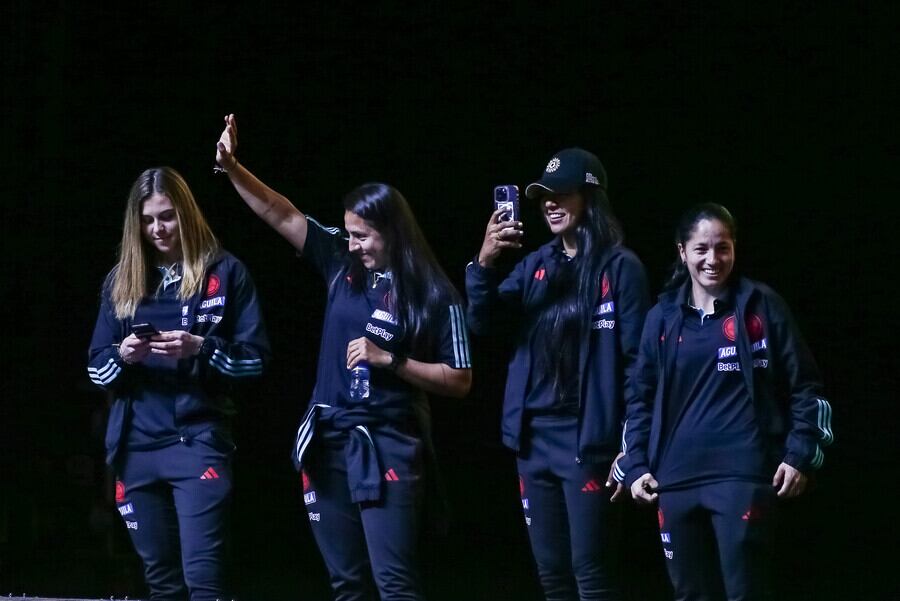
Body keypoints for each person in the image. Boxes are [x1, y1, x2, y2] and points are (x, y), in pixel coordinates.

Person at [214, 114, 472, 601]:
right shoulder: (341, 264)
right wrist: (231, 168)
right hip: (327, 442)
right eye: (349, 234)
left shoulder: (436, 294)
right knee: (346, 585)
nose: (352, 245)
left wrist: (391, 361)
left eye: (363, 236)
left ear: (392, 232)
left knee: (394, 583)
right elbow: (280, 213)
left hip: (388, 444)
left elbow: (460, 380)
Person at [614, 203, 834, 600]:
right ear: (682, 252)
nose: (712, 260)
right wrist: (634, 465)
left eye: (723, 248)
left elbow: (807, 388)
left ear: (734, 249)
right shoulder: (661, 317)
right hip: (674, 479)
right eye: (701, 249)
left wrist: (799, 454)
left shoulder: (762, 306)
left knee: (744, 593)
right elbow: (638, 398)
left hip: (743, 475)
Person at [466, 148, 649, 601]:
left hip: (588, 441)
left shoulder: (620, 268)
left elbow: (640, 369)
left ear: (590, 196)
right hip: (533, 442)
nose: (549, 203)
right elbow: (482, 325)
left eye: (561, 194)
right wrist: (484, 264)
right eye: (543, 196)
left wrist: (632, 446)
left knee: (591, 576)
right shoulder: (535, 266)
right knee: (552, 577)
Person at [87, 166, 270, 600]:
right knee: (161, 583)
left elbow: (257, 362)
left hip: (198, 443)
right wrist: (123, 355)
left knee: (203, 580)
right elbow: (96, 368)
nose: (157, 229)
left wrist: (201, 348)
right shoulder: (121, 281)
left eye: (166, 216)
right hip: (136, 449)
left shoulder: (225, 272)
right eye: (148, 220)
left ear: (186, 213)